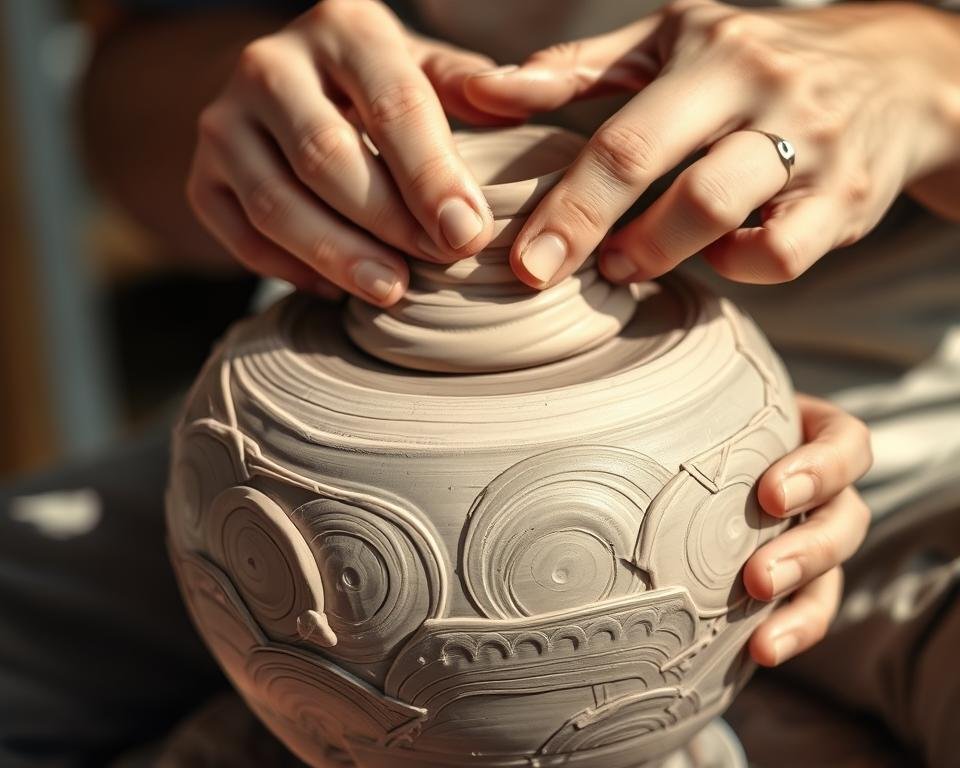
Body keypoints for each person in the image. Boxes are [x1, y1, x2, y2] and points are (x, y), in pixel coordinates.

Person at [1, 0, 956, 765]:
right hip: (345, 444)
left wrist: (922, 69)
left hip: (914, 433)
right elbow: (120, 102)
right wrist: (259, 99)